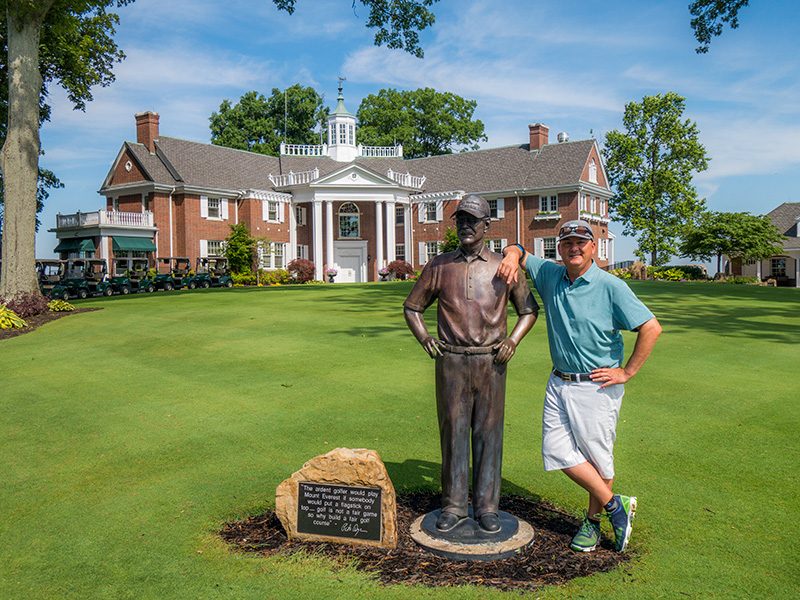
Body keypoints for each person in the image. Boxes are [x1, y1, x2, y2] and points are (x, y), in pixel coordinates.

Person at [497, 220, 661, 552]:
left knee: (598, 460)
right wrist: (512, 255)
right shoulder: (550, 275)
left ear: (594, 247)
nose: (574, 247)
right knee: (555, 450)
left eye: (581, 242)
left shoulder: (610, 286)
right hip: (559, 381)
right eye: (567, 242)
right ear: (559, 248)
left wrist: (626, 372)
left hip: (596, 386)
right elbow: (519, 248)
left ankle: (594, 522)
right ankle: (617, 506)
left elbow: (651, 327)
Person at [404, 195, 538, 534]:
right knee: (453, 431)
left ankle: (487, 506)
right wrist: (425, 338)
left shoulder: (504, 267)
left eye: (472, 220)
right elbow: (412, 307)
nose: (465, 225)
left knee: (488, 433)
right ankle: (452, 503)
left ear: (486, 226)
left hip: (491, 362)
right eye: (460, 220)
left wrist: (512, 341)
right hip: (450, 361)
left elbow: (528, 310)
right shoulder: (439, 266)